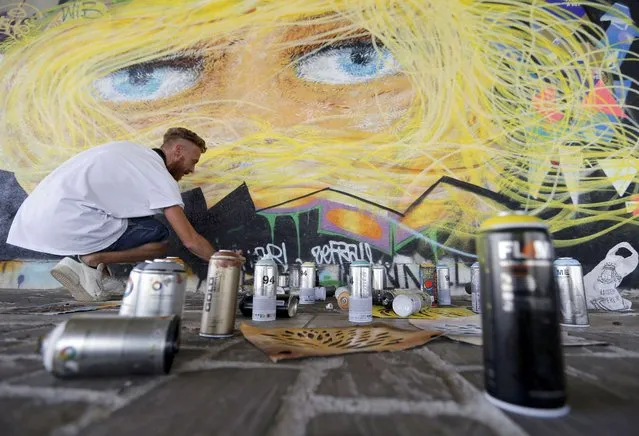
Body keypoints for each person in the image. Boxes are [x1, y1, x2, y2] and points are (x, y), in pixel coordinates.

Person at [6, 127, 216, 301]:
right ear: (178, 150)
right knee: (159, 237)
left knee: (136, 219)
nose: (192, 170)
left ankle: (99, 278)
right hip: (69, 221)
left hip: (40, 216)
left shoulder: (132, 153)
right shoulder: (159, 175)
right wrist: (222, 261)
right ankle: (92, 259)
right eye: (194, 161)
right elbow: (190, 240)